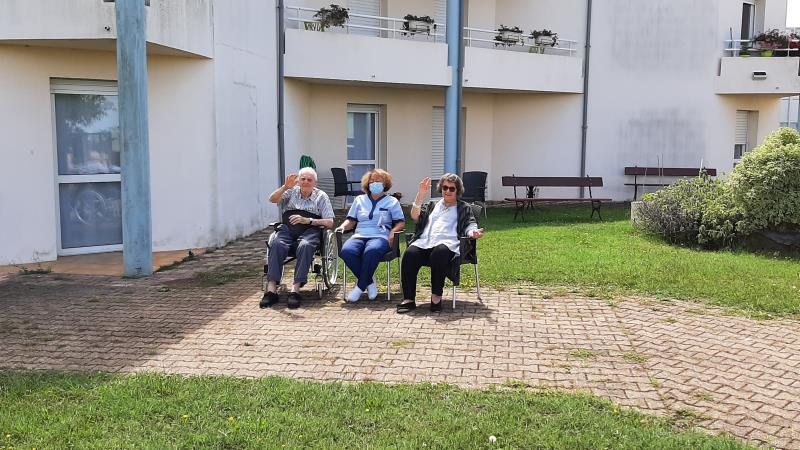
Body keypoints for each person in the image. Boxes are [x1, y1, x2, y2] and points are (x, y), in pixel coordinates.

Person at [397, 174, 485, 313]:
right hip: (425, 241)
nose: (447, 191)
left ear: (457, 190)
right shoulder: (433, 204)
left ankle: (436, 296)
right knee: (410, 254)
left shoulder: (463, 207)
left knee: (440, 252)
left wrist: (472, 233)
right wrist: (420, 195)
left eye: (452, 188)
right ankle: (409, 299)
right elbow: (415, 216)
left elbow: (470, 224)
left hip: (448, 244)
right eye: (445, 187)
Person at [261, 167, 335, 309]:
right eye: (303, 179)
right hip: (287, 229)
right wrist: (284, 187)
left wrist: (308, 220)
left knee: (305, 245)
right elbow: (272, 199)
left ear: (315, 183)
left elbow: (330, 222)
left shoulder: (321, 196)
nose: (305, 182)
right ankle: (271, 290)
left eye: (309, 180)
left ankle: (295, 290)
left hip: (310, 230)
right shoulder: (291, 191)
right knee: (277, 244)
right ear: (298, 181)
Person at [335, 169, 405, 302]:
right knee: (346, 251)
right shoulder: (359, 200)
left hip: (380, 236)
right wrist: (342, 227)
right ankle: (369, 281)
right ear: (367, 184)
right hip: (359, 235)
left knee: (372, 250)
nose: (374, 183)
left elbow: (401, 223)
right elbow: (351, 220)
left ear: (385, 183)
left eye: (378, 181)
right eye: (372, 181)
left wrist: (392, 232)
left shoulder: (392, 201)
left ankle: (359, 287)